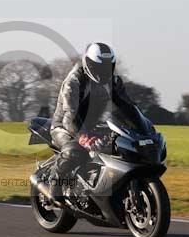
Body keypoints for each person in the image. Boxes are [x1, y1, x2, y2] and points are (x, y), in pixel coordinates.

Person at [49, 42, 142, 203]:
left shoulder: (113, 82)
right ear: (88, 63)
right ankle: (55, 183)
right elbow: (70, 116)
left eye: (107, 66)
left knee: (120, 146)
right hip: (65, 126)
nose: (103, 71)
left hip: (92, 126)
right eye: (99, 66)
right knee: (74, 151)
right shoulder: (75, 81)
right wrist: (83, 137)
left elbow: (128, 107)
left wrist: (141, 128)